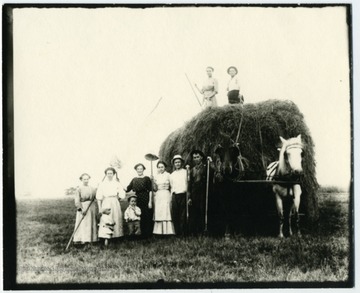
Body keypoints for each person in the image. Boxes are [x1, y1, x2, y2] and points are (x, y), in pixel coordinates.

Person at [96, 167, 125, 246]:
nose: (109, 175)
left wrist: (117, 198)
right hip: (106, 202)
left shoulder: (116, 183)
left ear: (113, 174)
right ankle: (105, 237)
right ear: (105, 174)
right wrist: (100, 208)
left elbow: (122, 194)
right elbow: (99, 197)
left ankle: (116, 236)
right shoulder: (102, 184)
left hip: (115, 202)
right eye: (108, 173)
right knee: (106, 219)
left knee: (116, 218)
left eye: (111, 173)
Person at [124, 163, 153, 238]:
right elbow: (127, 189)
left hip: (146, 197)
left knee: (146, 215)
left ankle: (147, 233)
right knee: (138, 215)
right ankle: (139, 233)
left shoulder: (146, 178)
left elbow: (150, 190)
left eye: (141, 169)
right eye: (138, 169)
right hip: (137, 199)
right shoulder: (134, 179)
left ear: (143, 169)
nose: (139, 170)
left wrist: (150, 201)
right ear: (136, 170)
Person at [188, 150, 213, 235]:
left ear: (201, 157)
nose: (196, 159)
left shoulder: (207, 167)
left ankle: (204, 230)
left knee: (203, 210)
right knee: (195, 211)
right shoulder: (192, 170)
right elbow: (190, 184)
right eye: (194, 158)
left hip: (203, 192)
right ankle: (196, 231)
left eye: (198, 157)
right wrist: (189, 197)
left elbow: (213, 173)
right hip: (194, 192)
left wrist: (211, 162)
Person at [73, 173, 98, 244]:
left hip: (91, 207)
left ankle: (91, 239)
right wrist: (81, 209)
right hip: (83, 207)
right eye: (84, 179)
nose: (86, 181)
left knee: (91, 222)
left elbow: (96, 197)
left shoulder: (92, 188)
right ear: (81, 180)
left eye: (87, 179)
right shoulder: (79, 189)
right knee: (84, 223)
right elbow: (77, 200)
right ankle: (82, 239)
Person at [152, 161, 175, 236]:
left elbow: (172, 186)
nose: (160, 169)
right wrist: (152, 181)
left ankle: (167, 231)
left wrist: (171, 195)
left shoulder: (169, 175)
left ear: (165, 167)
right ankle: (158, 231)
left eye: (162, 167)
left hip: (166, 194)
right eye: (159, 167)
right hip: (158, 195)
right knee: (159, 211)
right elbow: (154, 188)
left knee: (166, 211)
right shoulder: (156, 176)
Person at [169, 155, 188, 236]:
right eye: (176, 162)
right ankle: (177, 233)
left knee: (183, 215)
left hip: (183, 194)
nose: (177, 164)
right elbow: (171, 185)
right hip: (175, 195)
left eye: (179, 162)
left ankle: (184, 232)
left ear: (181, 163)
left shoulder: (185, 172)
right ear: (174, 164)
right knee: (175, 214)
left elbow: (187, 183)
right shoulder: (172, 175)